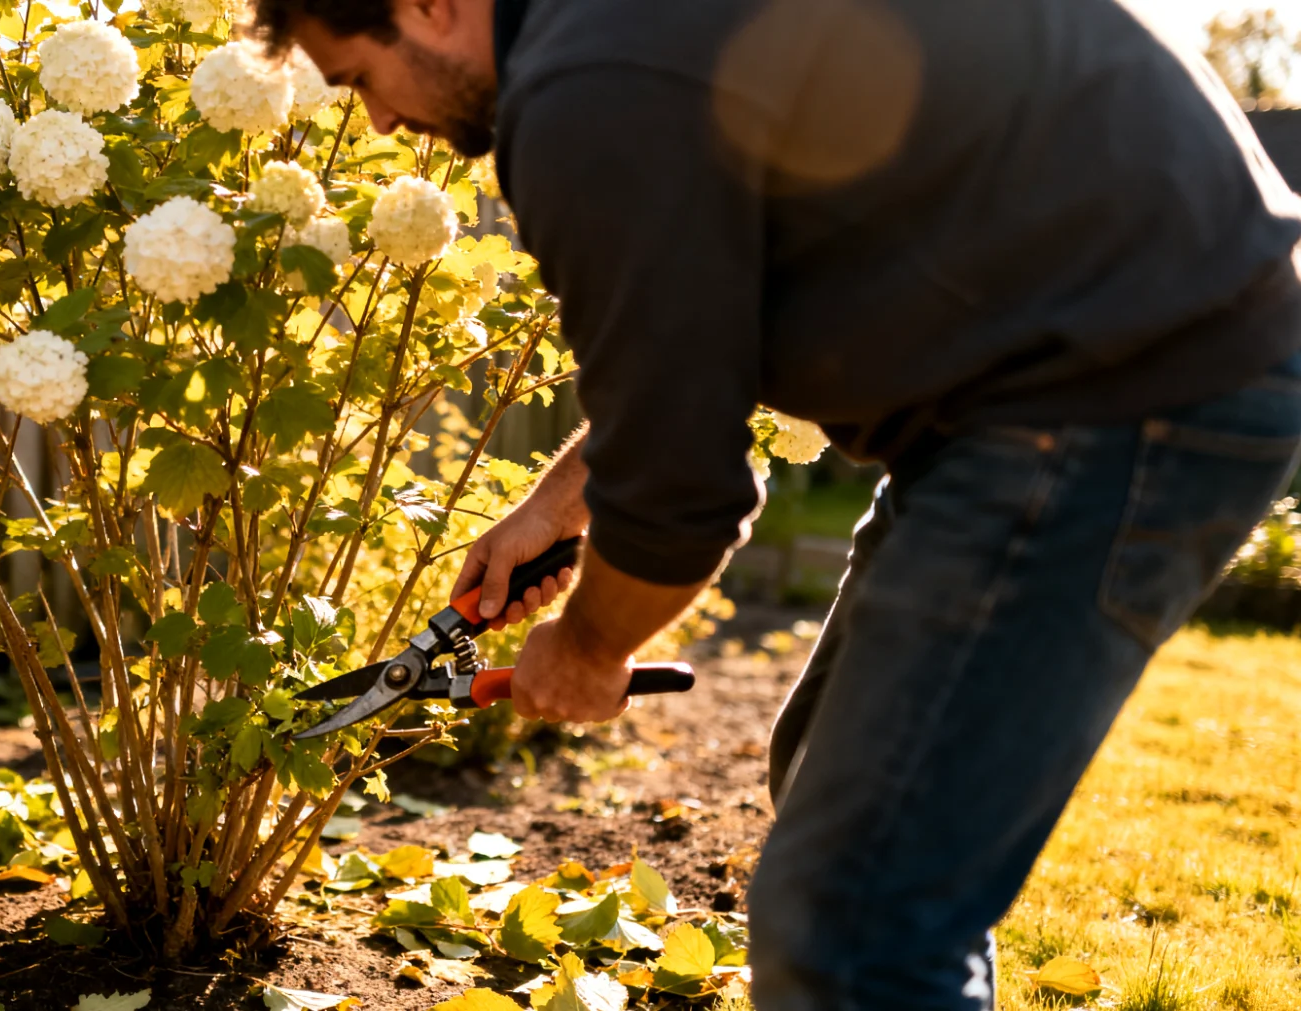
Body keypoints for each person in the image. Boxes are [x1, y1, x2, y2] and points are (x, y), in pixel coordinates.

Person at [251, 0, 1301, 1006]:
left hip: (1122, 379)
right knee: (842, 809)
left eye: (359, 79)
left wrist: (585, 648)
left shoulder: (586, 87)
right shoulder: (618, 37)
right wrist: (558, 500)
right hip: (1074, 361)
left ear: (428, 6)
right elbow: (703, 329)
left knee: (852, 916)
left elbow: (680, 499)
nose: (382, 119)